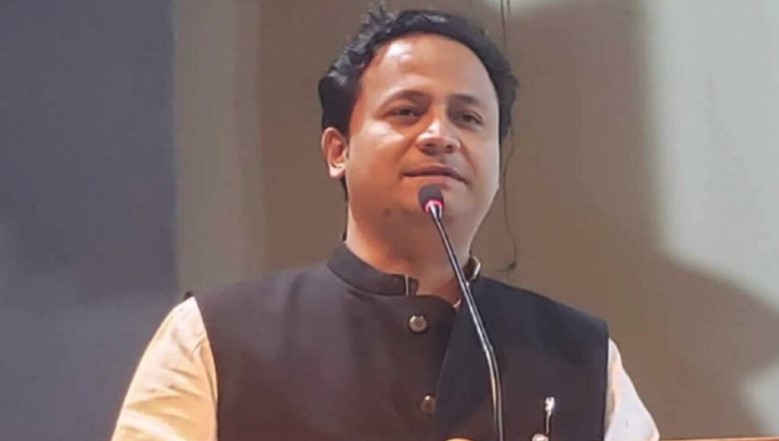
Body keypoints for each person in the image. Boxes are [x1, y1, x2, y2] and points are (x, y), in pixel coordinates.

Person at [112, 7, 658, 441]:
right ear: (338, 151)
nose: (440, 136)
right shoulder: (212, 339)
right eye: (407, 111)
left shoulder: (583, 356)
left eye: (468, 118)